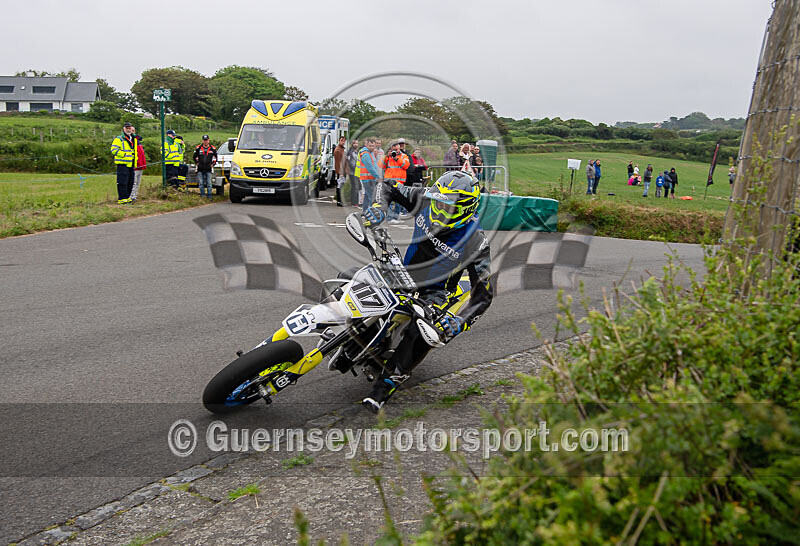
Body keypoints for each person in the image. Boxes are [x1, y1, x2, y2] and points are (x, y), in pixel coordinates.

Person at [359, 170, 493, 412]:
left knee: (424, 332)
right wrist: (380, 207)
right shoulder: (425, 199)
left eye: (447, 205)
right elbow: (387, 185)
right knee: (350, 278)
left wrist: (459, 321)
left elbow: (484, 294)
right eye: (436, 202)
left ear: (465, 207)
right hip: (402, 271)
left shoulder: (476, 242)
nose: (438, 209)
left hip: (435, 293)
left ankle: (388, 383)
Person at [381, 141, 411, 222]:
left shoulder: (404, 156)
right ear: (391, 148)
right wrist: (386, 156)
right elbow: (382, 166)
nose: (395, 151)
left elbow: (406, 165)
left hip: (399, 182)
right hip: (389, 181)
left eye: (397, 148)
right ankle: (390, 218)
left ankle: (396, 217)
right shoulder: (388, 156)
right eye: (394, 148)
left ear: (399, 148)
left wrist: (396, 158)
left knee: (399, 201)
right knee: (390, 201)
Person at [110, 122, 137, 204]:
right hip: (122, 164)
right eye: (127, 128)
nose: (128, 129)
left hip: (131, 164)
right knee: (122, 182)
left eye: (129, 128)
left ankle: (127, 197)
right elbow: (114, 150)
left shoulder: (132, 139)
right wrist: (124, 155)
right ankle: (122, 198)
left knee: (130, 182)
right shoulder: (119, 139)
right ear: (123, 129)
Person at [358, 138, 380, 213]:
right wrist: (378, 176)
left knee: (367, 196)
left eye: (373, 146)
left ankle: (365, 211)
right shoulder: (366, 154)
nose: (372, 147)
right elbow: (370, 167)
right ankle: (372, 213)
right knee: (372, 196)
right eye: (370, 146)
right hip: (367, 178)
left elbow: (374, 166)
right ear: (366, 145)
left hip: (369, 178)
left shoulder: (370, 153)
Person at [193, 135, 217, 200]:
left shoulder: (213, 148)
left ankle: (209, 196)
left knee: (209, 183)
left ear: (208, 140)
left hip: (209, 168)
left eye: (206, 140)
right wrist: (197, 163)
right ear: (202, 141)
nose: (205, 141)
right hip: (200, 168)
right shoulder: (198, 148)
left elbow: (215, 158)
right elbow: (194, 157)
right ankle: (202, 195)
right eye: (204, 140)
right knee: (201, 183)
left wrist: (213, 164)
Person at [131, 129, 146, 202]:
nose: (132, 132)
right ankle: (131, 196)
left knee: (138, 183)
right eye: (131, 130)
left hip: (141, 165)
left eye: (133, 130)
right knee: (133, 182)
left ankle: (135, 196)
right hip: (135, 166)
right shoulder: (130, 142)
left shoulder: (138, 141)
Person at [346, 139, 360, 207]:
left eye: (357, 143)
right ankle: (354, 202)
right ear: (352, 144)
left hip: (356, 172)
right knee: (355, 187)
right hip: (353, 172)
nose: (356, 145)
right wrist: (355, 169)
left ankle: (353, 201)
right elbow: (350, 162)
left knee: (354, 187)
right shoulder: (351, 152)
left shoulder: (356, 151)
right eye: (355, 143)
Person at [333, 135, 347, 207]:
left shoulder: (342, 149)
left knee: (341, 186)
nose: (343, 142)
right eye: (341, 140)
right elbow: (338, 162)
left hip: (343, 171)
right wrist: (340, 172)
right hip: (340, 172)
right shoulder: (338, 150)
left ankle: (340, 200)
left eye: (344, 140)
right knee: (339, 186)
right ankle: (339, 201)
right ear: (339, 141)